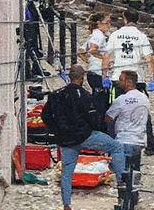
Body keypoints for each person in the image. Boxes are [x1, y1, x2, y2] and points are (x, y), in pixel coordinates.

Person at [41, 65, 125, 210]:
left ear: (69, 77)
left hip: (65, 139)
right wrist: (100, 128)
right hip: (85, 136)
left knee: (67, 172)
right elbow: (93, 117)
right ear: (82, 78)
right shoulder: (83, 95)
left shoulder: (55, 95)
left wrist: (57, 131)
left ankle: (66, 204)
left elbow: (45, 115)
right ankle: (122, 182)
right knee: (116, 147)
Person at [103, 8, 154, 155]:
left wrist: (105, 76)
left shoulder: (115, 35)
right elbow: (149, 60)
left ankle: (113, 145)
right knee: (143, 112)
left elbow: (106, 57)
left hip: (118, 78)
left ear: (124, 18)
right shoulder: (141, 36)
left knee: (113, 112)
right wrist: (152, 79)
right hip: (137, 79)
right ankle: (150, 146)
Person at [104, 69, 150, 203]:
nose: (119, 82)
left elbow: (108, 118)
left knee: (122, 173)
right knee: (135, 169)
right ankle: (134, 197)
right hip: (139, 140)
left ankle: (123, 199)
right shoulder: (144, 98)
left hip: (124, 139)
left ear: (129, 82)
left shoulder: (121, 100)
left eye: (121, 79)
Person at [78, 13, 111, 92]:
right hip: (98, 72)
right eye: (107, 22)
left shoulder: (94, 34)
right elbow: (92, 50)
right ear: (99, 23)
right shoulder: (98, 35)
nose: (109, 25)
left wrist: (88, 61)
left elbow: (81, 51)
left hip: (93, 71)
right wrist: (104, 58)